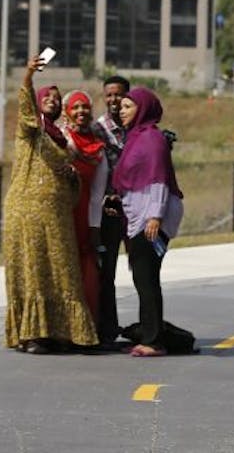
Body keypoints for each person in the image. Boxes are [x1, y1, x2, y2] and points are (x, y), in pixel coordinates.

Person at [2, 53, 97, 355]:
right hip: (27, 210)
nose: (53, 101)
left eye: (58, 99)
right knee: (33, 268)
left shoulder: (63, 139)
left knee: (60, 270)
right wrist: (28, 77)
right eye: (48, 97)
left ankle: (61, 332)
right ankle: (32, 335)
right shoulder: (31, 129)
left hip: (56, 214)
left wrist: (72, 177)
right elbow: (26, 104)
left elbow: (74, 176)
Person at [111, 86, 185, 357]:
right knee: (144, 278)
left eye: (128, 106)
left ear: (143, 109)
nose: (122, 110)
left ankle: (153, 341)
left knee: (147, 279)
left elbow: (158, 180)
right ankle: (150, 334)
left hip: (152, 218)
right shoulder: (136, 137)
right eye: (122, 107)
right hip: (140, 214)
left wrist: (155, 215)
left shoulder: (152, 139)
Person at [61, 90, 107, 330]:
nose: (81, 112)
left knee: (85, 272)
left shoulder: (98, 148)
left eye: (85, 107)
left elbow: (98, 194)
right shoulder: (61, 139)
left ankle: (85, 328)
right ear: (67, 112)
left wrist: (94, 228)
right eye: (75, 107)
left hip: (85, 217)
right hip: (62, 214)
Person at [91, 74, 132, 348]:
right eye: (108, 95)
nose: (113, 100)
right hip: (109, 211)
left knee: (141, 270)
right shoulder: (97, 129)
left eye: (118, 94)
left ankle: (148, 329)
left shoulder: (136, 126)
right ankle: (107, 329)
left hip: (135, 208)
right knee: (107, 273)